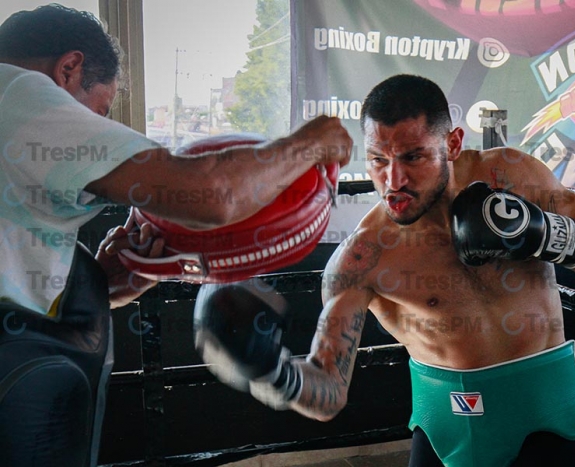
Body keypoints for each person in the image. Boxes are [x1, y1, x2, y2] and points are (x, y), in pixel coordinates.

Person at [194, 74, 575, 466]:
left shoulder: (512, 176)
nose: (394, 180)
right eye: (378, 160)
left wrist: (544, 234)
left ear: (452, 143)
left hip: (544, 418)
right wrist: (270, 372)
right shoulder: (361, 258)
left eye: (412, 157)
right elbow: (328, 392)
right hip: (444, 426)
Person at [0, 4, 351, 467]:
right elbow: (211, 194)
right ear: (68, 69)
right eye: (100, 111)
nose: (102, 127)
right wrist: (312, 141)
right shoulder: (18, 91)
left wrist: (97, 281)